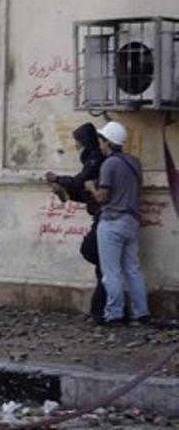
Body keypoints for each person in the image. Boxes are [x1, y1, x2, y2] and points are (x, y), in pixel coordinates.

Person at [87, 122, 150, 325]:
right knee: (133, 269)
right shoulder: (135, 162)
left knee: (111, 272)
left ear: (108, 142)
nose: (100, 145)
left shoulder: (110, 164)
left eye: (102, 141)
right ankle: (142, 313)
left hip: (112, 223)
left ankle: (115, 314)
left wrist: (91, 188)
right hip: (131, 222)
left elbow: (103, 197)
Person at [45, 123, 106, 323]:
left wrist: (59, 179)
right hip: (99, 215)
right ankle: (99, 312)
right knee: (103, 268)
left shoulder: (95, 158)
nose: (77, 146)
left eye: (78, 142)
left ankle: (104, 311)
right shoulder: (92, 158)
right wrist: (66, 192)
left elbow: (81, 181)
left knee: (92, 254)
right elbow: (84, 192)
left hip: (104, 217)